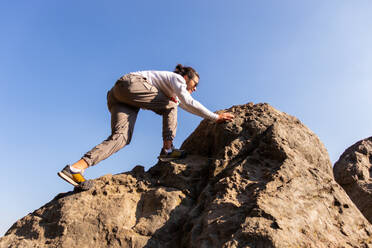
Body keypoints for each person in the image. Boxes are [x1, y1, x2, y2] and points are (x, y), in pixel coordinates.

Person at [58, 64, 234, 187]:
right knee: (172, 105)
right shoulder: (177, 79)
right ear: (186, 77)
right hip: (131, 84)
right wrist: (215, 117)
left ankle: (74, 169)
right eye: (194, 84)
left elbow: (181, 103)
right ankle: (168, 150)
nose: (195, 88)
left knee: (121, 138)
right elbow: (188, 102)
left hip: (119, 96)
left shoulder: (171, 89)